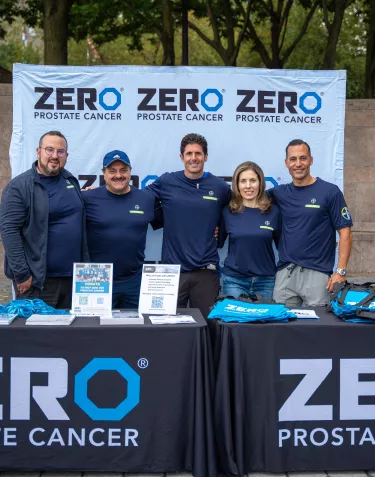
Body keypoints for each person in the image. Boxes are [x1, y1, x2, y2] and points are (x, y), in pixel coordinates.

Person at [145, 133, 231, 318]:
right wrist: (101, 191)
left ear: (206, 157)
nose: (194, 158)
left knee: (208, 327)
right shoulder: (167, 181)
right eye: (189, 153)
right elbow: (137, 198)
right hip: (172, 272)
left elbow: (235, 213)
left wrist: (221, 232)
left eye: (198, 153)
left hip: (206, 271)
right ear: (181, 157)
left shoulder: (220, 187)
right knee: (167, 328)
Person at [0, 130, 89, 308]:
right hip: (38, 283)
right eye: (49, 150)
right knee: (37, 335)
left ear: (66, 155)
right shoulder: (19, 187)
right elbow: (9, 231)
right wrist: (22, 274)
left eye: (60, 151)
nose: (55, 156)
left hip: (73, 280)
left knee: (72, 335)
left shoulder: (70, 180)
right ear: (38, 151)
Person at [268, 138, 353, 307]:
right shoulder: (278, 193)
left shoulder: (330, 192)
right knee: (282, 328)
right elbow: (248, 203)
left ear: (311, 160)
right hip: (286, 273)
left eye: (303, 158)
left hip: (318, 274)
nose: (298, 164)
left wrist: (340, 272)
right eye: (293, 159)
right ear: (286, 163)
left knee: (319, 329)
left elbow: (345, 233)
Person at [83, 150, 161, 308]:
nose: (118, 175)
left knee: (136, 330)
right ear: (103, 174)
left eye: (123, 170)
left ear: (130, 172)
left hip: (135, 280)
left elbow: (174, 223)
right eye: (112, 171)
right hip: (95, 278)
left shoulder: (147, 199)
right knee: (93, 330)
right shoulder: (87, 198)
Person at [218, 161, 280, 300]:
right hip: (234, 281)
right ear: (237, 185)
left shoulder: (274, 212)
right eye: (243, 181)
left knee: (265, 321)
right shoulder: (227, 212)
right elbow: (218, 242)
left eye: (253, 180)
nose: (248, 186)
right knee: (235, 321)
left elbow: (282, 246)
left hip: (266, 281)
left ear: (260, 182)